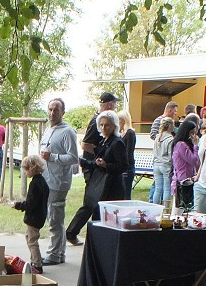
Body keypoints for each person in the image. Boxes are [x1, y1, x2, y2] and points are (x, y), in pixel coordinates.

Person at [65, 110, 128, 244]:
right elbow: (97, 163)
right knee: (93, 210)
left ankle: (98, 243)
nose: (104, 128)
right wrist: (82, 161)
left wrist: (107, 166)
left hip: (112, 188)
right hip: (99, 183)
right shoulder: (104, 141)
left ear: (114, 126)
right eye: (102, 125)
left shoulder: (117, 143)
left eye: (107, 125)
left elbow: (123, 166)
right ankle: (91, 241)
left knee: (104, 217)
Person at [39, 98, 78, 265]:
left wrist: (52, 157)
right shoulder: (48, 130)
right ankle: (58, 254)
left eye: (56, 110)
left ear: (63, 112)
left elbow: (73, 157)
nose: (52, 113)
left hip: (59, 181)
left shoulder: (68, 132)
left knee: (55, 219)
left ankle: (54, 255)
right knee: (53, 218)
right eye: (50, 109)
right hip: (46, 180)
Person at [13, 154, 49, 273]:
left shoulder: (35, 184)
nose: (25, 172)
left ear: (32, 168)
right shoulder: (42, 181)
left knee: (32, 241)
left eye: (26, 169)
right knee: (29, 238)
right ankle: (35, 259)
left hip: (34, 217)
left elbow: (31, 203)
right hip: (40, 216)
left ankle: (37, 264)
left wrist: (18, 205)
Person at [170, 119, 201, 207]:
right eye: (191, 133)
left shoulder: (184, 144)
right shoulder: (181, 145)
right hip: (182, 181)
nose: (193, 136)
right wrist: (195, 145)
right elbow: (193, 160)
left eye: (194, 133)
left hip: (188, 180)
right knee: (183, 207)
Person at [150, 117, 176, 206]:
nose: (174, 127)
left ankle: (155, 207)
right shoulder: (170, 139)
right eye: (173, 125)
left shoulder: (157, 138)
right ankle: (166, 210)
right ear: (169, 126)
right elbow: (171, 155)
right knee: (167, 189)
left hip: (156, 164)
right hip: (166, 166)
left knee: (158, 189)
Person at [118, 110, 138, 198]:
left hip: (128, 167)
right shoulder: (120, 134)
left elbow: (129, 151)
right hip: (121, 166)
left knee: (126, 193)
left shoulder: (130, 133)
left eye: (118, 119)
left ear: (123, 120)